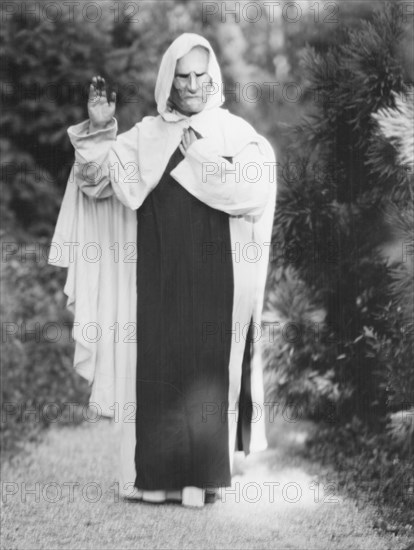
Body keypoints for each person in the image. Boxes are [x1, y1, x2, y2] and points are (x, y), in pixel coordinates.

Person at [49, 33, 276, 507]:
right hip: (155, 277)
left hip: (216, 277)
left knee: (206, 371)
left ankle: (200, 480)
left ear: (211, 77)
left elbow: (254, 192)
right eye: (183, 76)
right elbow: (97, 183)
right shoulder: (146, 136)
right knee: (156, 367)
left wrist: (201, 156)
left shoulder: (234, 134)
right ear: (168, 81)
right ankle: (154, 479)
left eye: (200, 75)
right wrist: (99, 129)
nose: (192, 85)